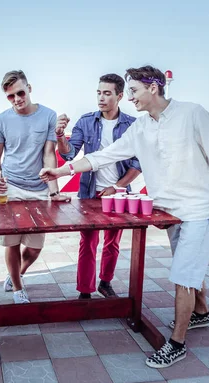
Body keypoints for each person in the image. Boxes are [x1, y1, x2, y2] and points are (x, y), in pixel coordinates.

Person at [40, 65, 209, 368]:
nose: (129, 97)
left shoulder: (193, 113)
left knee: (183, 275)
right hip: (169, 212)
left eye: (133, 91)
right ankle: (201, 313)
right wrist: (61, 170)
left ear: (154, 88)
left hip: (200, 209)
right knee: (189, 266)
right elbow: (103, 156)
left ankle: (176, 343)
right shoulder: (142, 127)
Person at [55, 73, 142, 299]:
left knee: (112, 242)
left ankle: (105, 282)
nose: (101, 98)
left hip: (118, 194)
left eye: (107, 93)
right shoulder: (86, 121)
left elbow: (137, 163)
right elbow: (69, 155)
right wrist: (60, 137)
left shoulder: (133, 125)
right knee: (88, 241)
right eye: (98, 93)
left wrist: (117, 186)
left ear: (120, 96)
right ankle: (85, 291)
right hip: (89, 193)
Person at [0, 70, 70, 304]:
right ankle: (17, 288)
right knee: (12, 242)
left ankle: (17, 274)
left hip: (39, 189)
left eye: (20, 93)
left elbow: (49, 154)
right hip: (11, 187)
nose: (17, 99)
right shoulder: (1, 120)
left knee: (34, 248)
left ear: (29, 89)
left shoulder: (48, 116)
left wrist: (54, 191)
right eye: (10, 96)